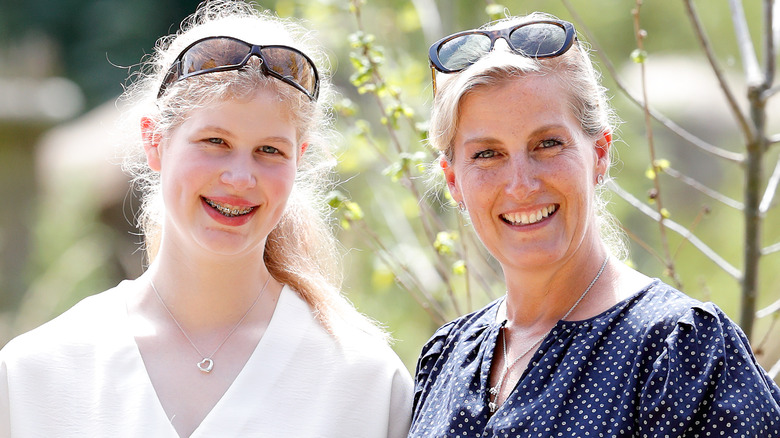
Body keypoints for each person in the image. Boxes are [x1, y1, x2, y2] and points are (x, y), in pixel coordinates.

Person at [0, 1, 413, 436]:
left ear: (300, 160)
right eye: (215, 141)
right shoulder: (40, 372)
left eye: (270, 150)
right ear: (154, 141)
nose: (239, 177)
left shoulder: (363, 382)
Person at [409, 12, 780, 437]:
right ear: (454, 180)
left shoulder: (680, 351)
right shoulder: (446, 358)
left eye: (547, 144)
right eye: (487, 154)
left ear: (599, 154)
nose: (521, 185)